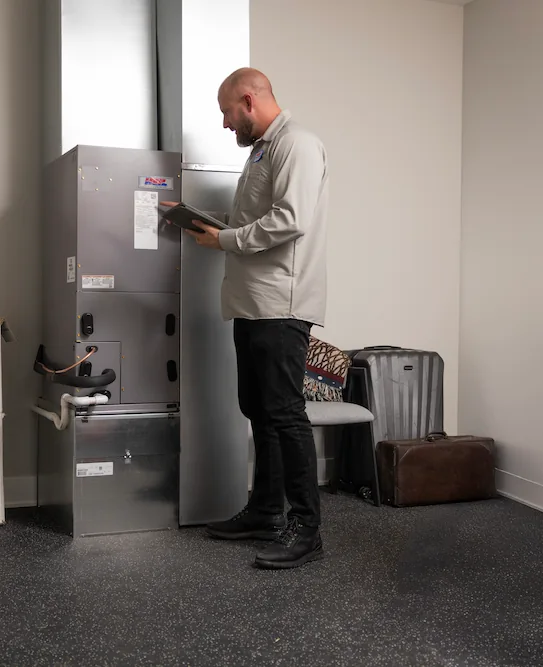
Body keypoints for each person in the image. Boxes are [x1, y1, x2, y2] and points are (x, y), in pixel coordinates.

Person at [164, 67, 330, 570]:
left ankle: (307, 531)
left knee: (284, 413)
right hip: (253, 302)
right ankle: (265, 513)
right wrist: (206, 225)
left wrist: (225, 239)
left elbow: (290, 219)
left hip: (281, 304)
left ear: (249, 99)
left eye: (226, 113)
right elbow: (257, 221)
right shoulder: (262, 150)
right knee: (257, 409)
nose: (223, 124)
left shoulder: (296, 143)